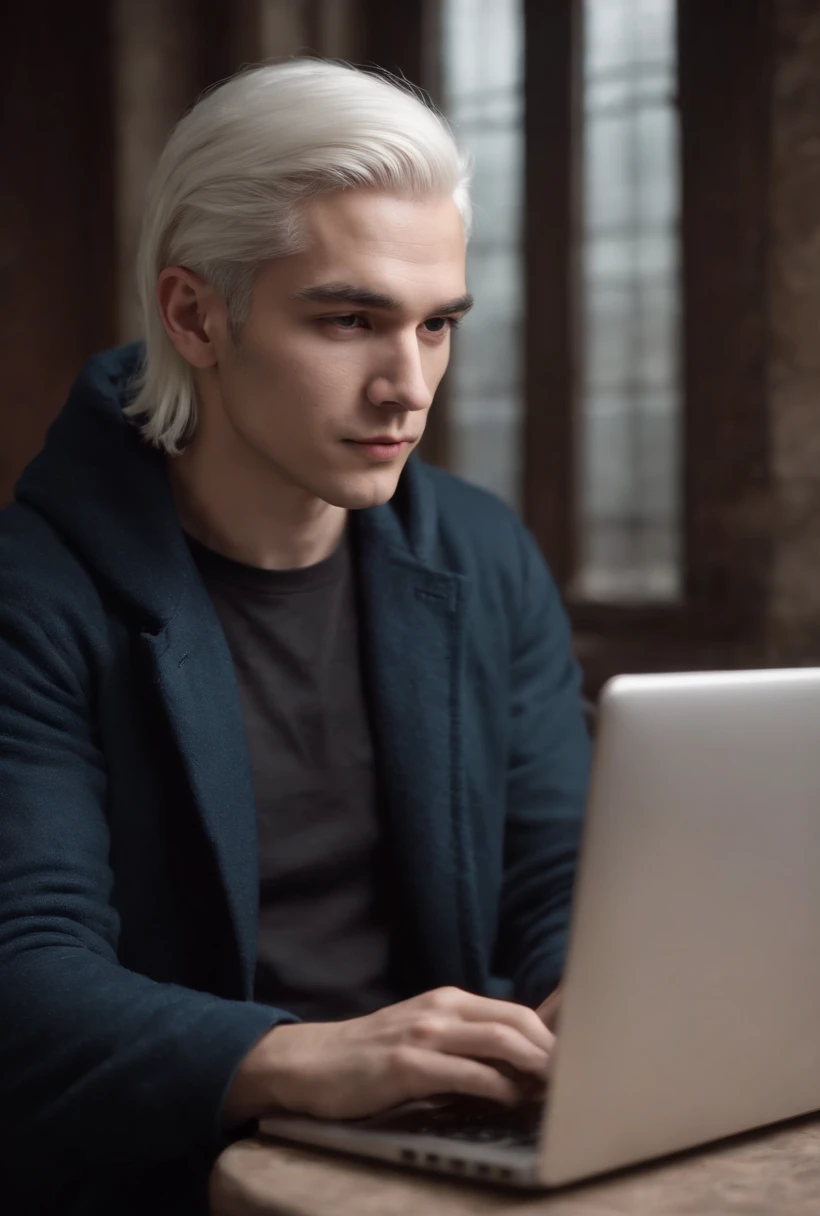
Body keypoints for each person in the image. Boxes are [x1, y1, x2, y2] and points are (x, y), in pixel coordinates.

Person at [0, 59, 591, 1215]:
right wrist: (305, 1058)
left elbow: (556, 871)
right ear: (193, 314)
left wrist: (591, 1000)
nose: (408, 387)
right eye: (350, 319)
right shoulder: (32, 592)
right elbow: (24, 973)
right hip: (173, 1179)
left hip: (443, 1159)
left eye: (436, 325)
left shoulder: (481, 553)